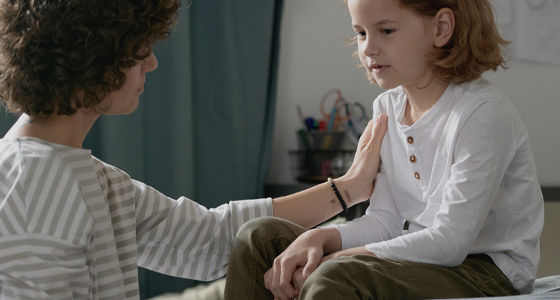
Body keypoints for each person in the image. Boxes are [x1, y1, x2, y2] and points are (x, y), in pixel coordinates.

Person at [0, 0, 388, 299]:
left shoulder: (82, 175)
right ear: (93, 59)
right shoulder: (37, 181)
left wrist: (349, 189)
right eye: (138, 50)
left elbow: (211, 236)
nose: (151, 63)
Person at [223, 0, 544, 299]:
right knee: (259, 237)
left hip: (487, 271)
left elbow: (451, 242)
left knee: (334, 276)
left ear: (441, 28)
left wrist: (335, 257)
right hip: (424, 258)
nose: (368, 47)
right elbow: (385, 222)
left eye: (385, 31)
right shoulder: (386, 107)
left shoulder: (481, 112)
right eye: (360, 33)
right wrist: (319, 238)